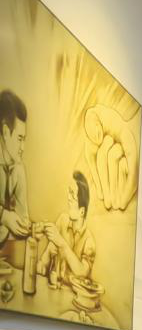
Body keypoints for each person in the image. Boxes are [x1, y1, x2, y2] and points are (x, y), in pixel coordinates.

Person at [35, 171, 96, 290]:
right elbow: (44, 262)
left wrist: (62, 243)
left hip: (74, 297)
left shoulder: (89, 241)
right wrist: (42, 262)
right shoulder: (62, 220)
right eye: (69, 192)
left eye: (73, 196)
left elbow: (82, 272)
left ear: (82, 211)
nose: (68, 198)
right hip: (54, 291)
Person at [0, 89, 31, 252]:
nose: (23, 148)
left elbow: (22, 219)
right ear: (6, 132)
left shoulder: (19, 169)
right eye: (19, 139)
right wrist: (4, 216)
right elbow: (8, 219)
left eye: (24, 140)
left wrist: (29, 228)